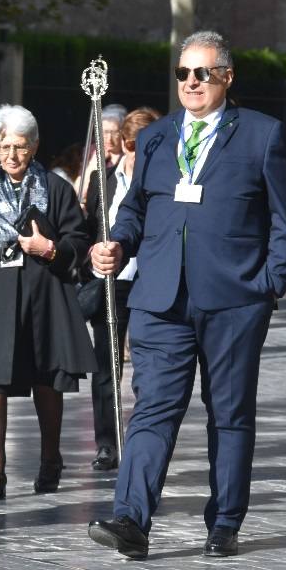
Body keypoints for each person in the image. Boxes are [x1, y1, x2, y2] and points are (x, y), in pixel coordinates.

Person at [87, 30, 286, 559]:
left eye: (203, 72)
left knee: (229, 413)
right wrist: (116, 244)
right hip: (160, 298)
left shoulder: (262, 134)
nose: (191, 82)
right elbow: (135, 208)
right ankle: (131, 518)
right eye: (183, 72)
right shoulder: (156, 138)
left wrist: (271, 284)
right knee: (152, 409)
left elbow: (283, 217)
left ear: (227, 76)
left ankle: (224, 521)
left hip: (235, 299)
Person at [0, 105, 96, 501]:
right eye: (5, 146)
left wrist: (49, 248)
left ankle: (50, 458)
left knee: (46, 377)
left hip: (45, 293)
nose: (12, 155)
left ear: (33, 147)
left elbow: (78, 240)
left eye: (20, 146)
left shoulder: (56, 188)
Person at [81, 106, 161, 471]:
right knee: (105, 368)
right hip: (110, 282)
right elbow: (89, 226)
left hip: (148, 282)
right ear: (126, 144)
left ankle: (143, 440)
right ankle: (107, 444)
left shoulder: (162, 181)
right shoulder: (104, 178)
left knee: (147, 367)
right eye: (135, 145)